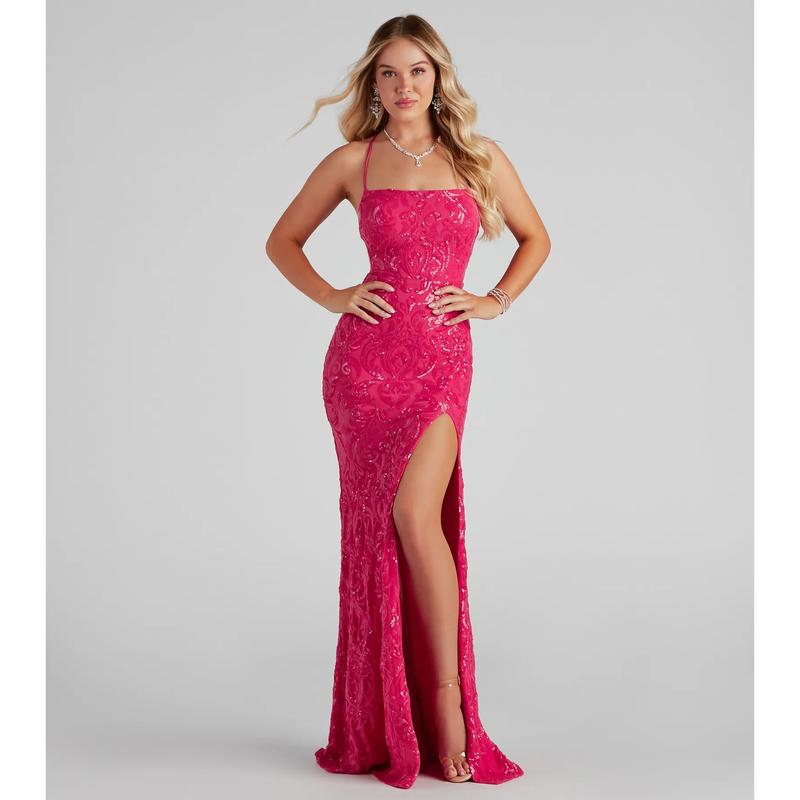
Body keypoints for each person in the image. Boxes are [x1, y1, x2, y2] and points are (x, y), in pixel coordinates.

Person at [266, 14, 551, 789]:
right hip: (362, 371)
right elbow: (282, 241)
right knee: (384, 529)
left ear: (438, 77)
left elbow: (536, 238)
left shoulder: (479, 156)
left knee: (417, 517)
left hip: (441, 364)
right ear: (373, 82)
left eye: (416, 71)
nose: (403, 85)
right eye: (388, 72)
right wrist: (334, 295)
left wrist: (493, 301)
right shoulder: (352, 162)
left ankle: (448, 710)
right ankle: (398, 720)